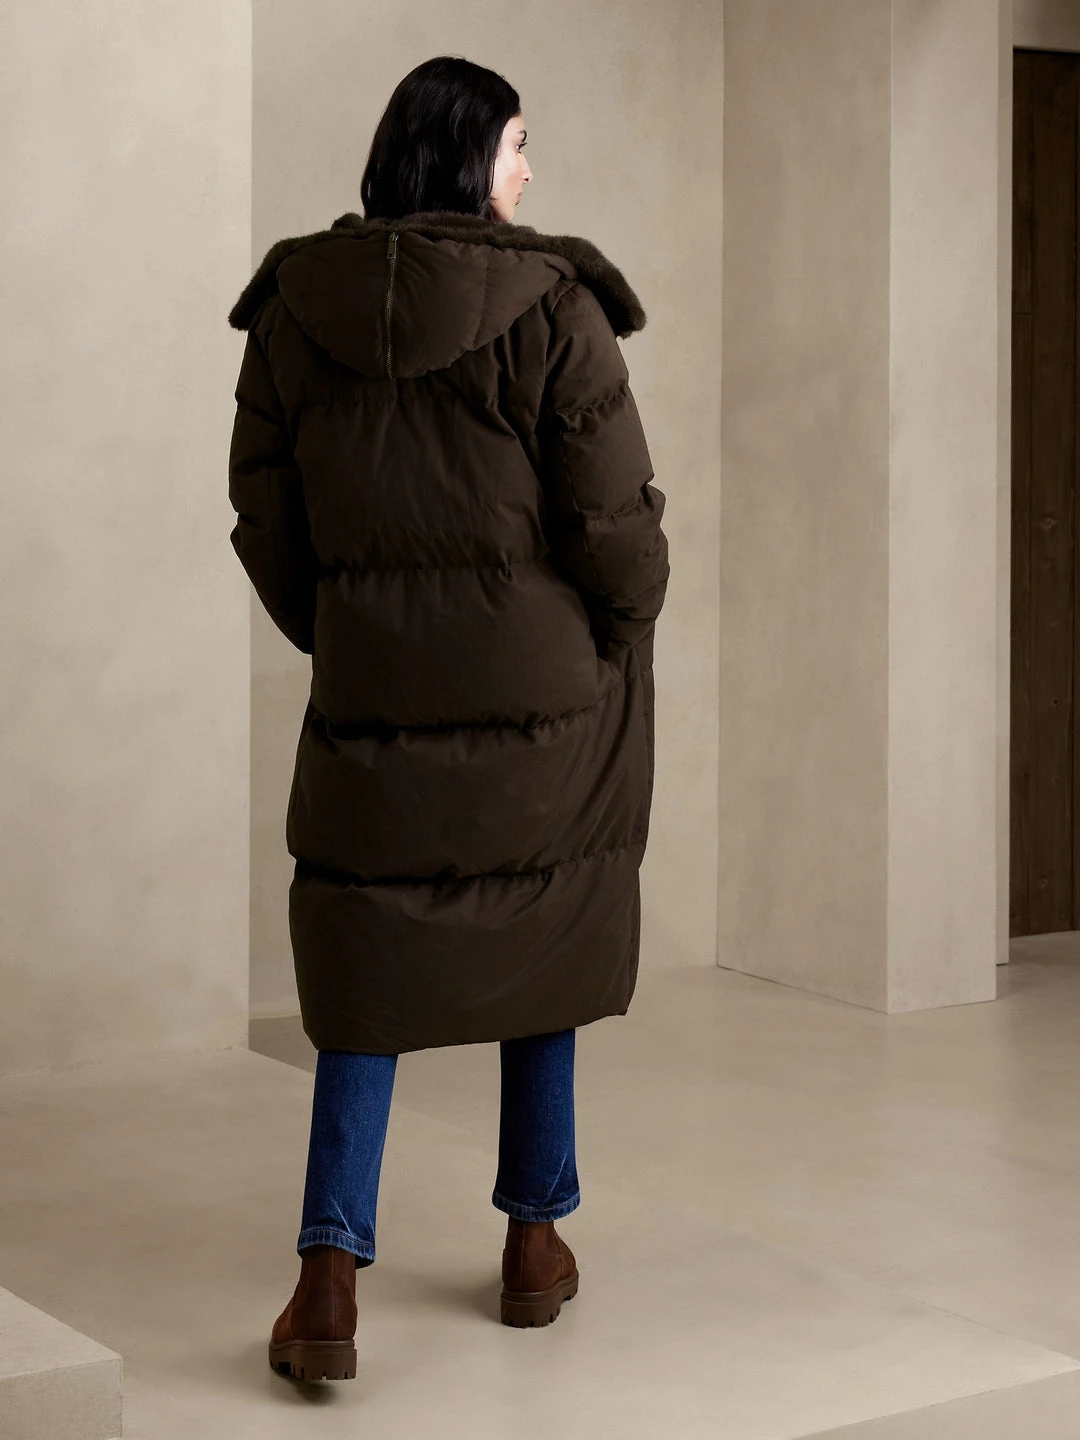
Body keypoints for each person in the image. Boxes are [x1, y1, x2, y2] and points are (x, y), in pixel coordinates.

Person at [226, 54, 669, 1383]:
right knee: (544, 922)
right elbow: (615, 519)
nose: (530, 170)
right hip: (541, 697)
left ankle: (326, 1279)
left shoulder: (294, 309)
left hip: (376, 695)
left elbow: (268, 517)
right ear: (471, 155)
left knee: (365, 958)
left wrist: (353, 634)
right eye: (518, 143)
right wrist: (615, 627)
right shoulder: (555, 304)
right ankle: (534, 1240)